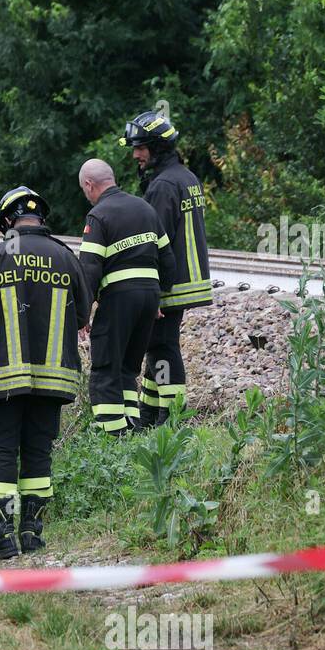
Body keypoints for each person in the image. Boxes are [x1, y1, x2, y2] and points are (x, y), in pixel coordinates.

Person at [0, 186, 91, 558]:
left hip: (1, 376)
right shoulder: (66, 257)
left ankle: (0, 536)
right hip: (53, 378)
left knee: (1, 451)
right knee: (38, 454)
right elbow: (82, 315)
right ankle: (32, 533)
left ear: (7, 222)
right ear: (40, 219)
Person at [119, 111, 212, 426]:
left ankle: (170, 419)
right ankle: (149, 416)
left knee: (163, 346)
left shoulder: (162, 186)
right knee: (156, 346)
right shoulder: (186, 177)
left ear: (157, 147)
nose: (136, 155)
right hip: (187, 279)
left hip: (169, 283)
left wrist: (153, 292)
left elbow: (154, 242)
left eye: (141, 148)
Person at [76, 159, 176, 436]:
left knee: (106, 366)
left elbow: (90, 267)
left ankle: (111, 436)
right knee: (128, 368)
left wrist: (83, 311)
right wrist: (157, 298)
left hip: (119, 299)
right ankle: (131, 427)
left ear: (89, 184)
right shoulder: (145, 208)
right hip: (149, 298)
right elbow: (168, 259)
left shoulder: (99, 215)